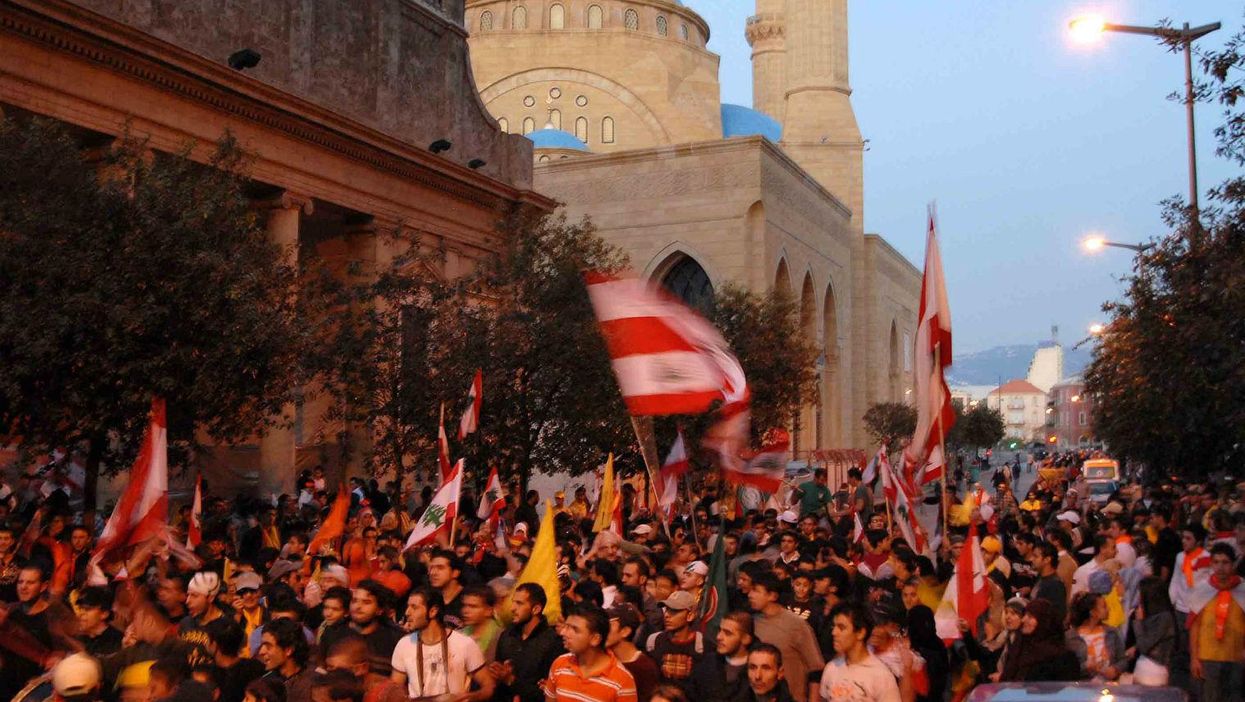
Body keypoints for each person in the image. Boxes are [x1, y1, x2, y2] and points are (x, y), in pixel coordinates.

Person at [390, 587, 494, 700]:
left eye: (414, 607)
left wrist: (472, 697)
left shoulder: (464, 644)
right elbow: (394, 690)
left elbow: (488, 686)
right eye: (408, 606)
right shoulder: (404, 645)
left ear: (433, 611)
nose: (407, 612)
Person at [749, 572, 824, 702]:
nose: (750, 595)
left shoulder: (797, 625)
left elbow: (816, 669)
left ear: (772, 595)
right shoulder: (752, 622)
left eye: (756, 591)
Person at [1187, 543, 1245, 702]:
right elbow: (1194, 626)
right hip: (1208, 657)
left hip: (1236, 657)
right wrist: (1194, 658)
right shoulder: (1202, 590)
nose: (1220, 567)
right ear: (1211, 564)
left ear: (1233, 564)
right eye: (1216, 562)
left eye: (1225, 562)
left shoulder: (1242, 589)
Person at [546, 605, 638, 702]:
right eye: (566, 626)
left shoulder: (622, 680)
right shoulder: (560, 664)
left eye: (574, 629)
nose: (563, 632)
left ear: (595, 639)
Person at [492, 583, 565, 702]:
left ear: (536, 609)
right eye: (513, 602)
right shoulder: (507, 635)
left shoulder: (553, 643)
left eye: (519, 603)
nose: (512, 608)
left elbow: (548, 692)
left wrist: (511, 680)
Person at [818, 603, 901, 702]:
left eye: (841, 627)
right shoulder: (831, 669)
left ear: (860, 633)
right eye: (834, 627)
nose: (834, 632)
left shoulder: (881, 676)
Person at [997, 599, 1080, 682]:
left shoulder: (1063, 659)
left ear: (1043, 621)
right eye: (1025, 615)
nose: (1023, 620)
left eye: (1030, 616)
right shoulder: (1019, 648)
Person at [688, 610, 754, 702]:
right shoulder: (707, 664)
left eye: (728, 633)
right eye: (720, 630)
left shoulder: (756, 670)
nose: (719, 637)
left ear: (746, 639)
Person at [644, 589, 703, 691]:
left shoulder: (702, 646)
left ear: (690, 616)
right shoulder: (654, 642)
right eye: (667, 609)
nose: (666, 615)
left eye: (674, 611)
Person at [322, 636, 406, 702]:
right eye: (328, 667)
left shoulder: (387, 694)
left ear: (361, 668)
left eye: (334, 668)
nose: (329, 673)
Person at [1065, 592, 1125, 681]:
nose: (1108, 609)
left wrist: (1116, 669)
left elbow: (1123, 660)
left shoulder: (1112, 632)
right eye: (1104, 606)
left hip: (1108, 689)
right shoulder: (1070, 637)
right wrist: (1085, 667)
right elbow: (1067, 669)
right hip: (1082, 687)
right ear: (1093, 612)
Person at [1130, 576, 1177, 687]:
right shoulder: (1157, 617)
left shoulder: (1164, 618)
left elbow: (1144, 645)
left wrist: (1138, 622)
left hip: (1153, 671)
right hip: (1146, 667)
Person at [608, 602, 659, 701]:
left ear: (625, 631)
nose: (602, 630)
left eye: (609, 625)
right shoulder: (603, 658)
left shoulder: (645, 668)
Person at [258, 618, 315, 699]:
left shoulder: (315, 685)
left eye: (268, 646)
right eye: (262, 646)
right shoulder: (266, 682)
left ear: (288, 650)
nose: (261, 652)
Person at [75, 585, 123, 656]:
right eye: (80, 609)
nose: (81, 613)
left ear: (104, 614)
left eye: (87, 609)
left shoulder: (116, 641)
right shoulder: (78, 638)